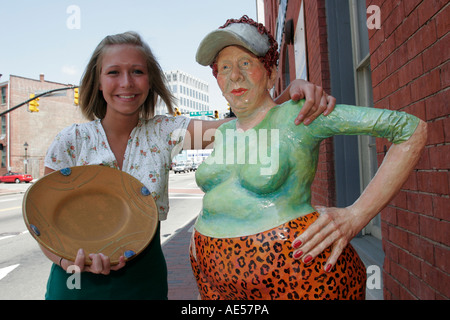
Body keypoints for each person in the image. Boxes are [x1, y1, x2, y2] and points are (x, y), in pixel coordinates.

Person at [39, 31, 334, 300]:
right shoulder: (71, 142)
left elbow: (243, 126)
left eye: (137, 72)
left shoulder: (166, 133)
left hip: (143, 282)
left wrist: (288, 96)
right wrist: (69, 263)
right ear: (98, 81)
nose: (126, 82)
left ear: (150, 80)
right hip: (75, 286)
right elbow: (41, 222)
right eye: (113, 72)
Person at [190, 16, 427, 300]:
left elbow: (410, 130)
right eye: (224, 68)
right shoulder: (224, 131)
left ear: (271, 72)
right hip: (212, 277)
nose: (234, 76)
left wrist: (356, 216)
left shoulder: (299, 116)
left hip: (297, 277)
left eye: (245, 63)